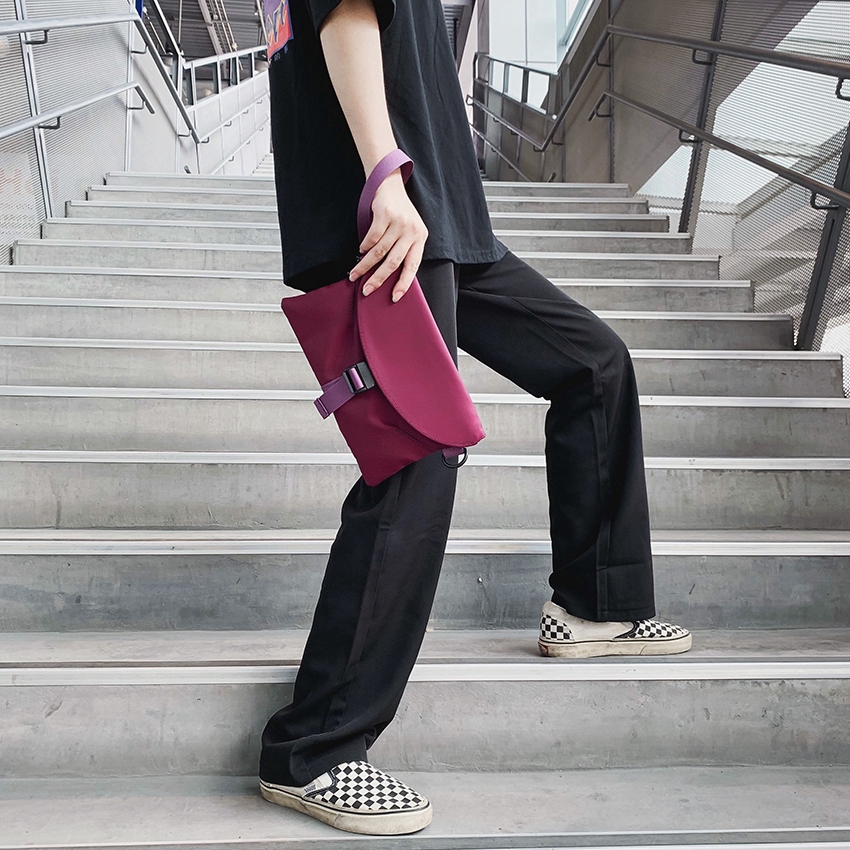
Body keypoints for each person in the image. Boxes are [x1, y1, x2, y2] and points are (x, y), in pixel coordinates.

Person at [257, 0, 691, 837]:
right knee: (417, 456)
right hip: (389, 216)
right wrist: (384, 176)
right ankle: (313, 748)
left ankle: (594, 603)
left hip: (451, 223)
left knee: (594, 364)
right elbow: (345, 16)